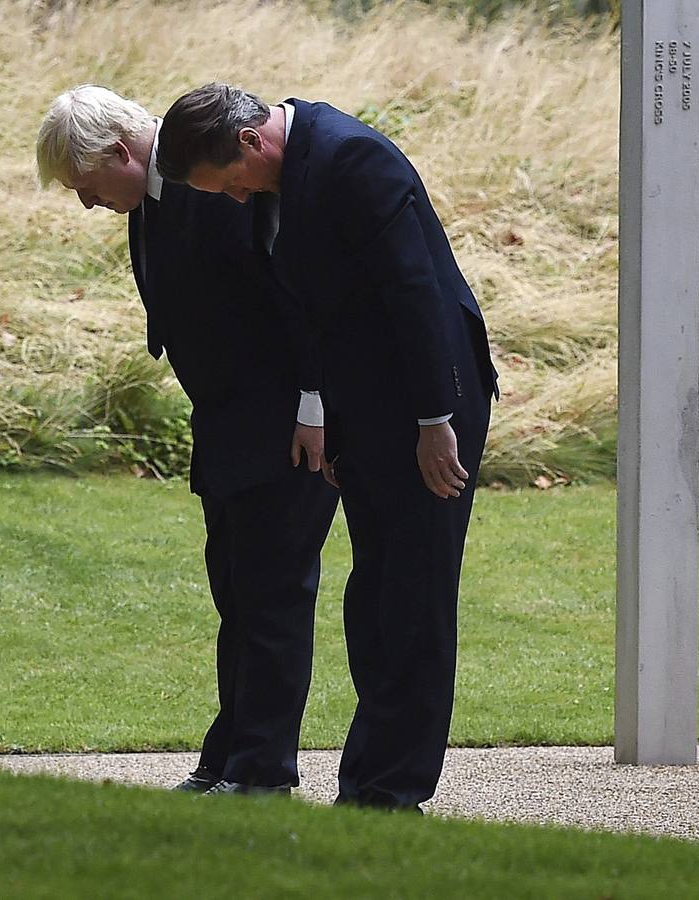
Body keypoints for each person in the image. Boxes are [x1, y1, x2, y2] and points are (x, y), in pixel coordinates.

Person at [155, 83, 499, 812]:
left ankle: (391, 789)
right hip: (368, 408)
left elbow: (416, 294)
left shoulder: (352, 160)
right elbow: (313, 312)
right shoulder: (278, 177)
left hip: (429, 403)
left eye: (231, 184)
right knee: (373, 597)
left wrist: (434, 422)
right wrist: (336, 427)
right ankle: (368, 783)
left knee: (412, 594)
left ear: (250, 143)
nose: (238, 200)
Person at [35, 85, 339, 796]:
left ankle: (261, 770)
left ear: (119, 150)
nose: (87, 204)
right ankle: (230, 755)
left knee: (271, 595)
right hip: (227, 418)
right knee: (237, 590)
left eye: (87, 186)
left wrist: (315, 402)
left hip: (283, 418)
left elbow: (293, 292)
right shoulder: (155, 198)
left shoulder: (216, 185)